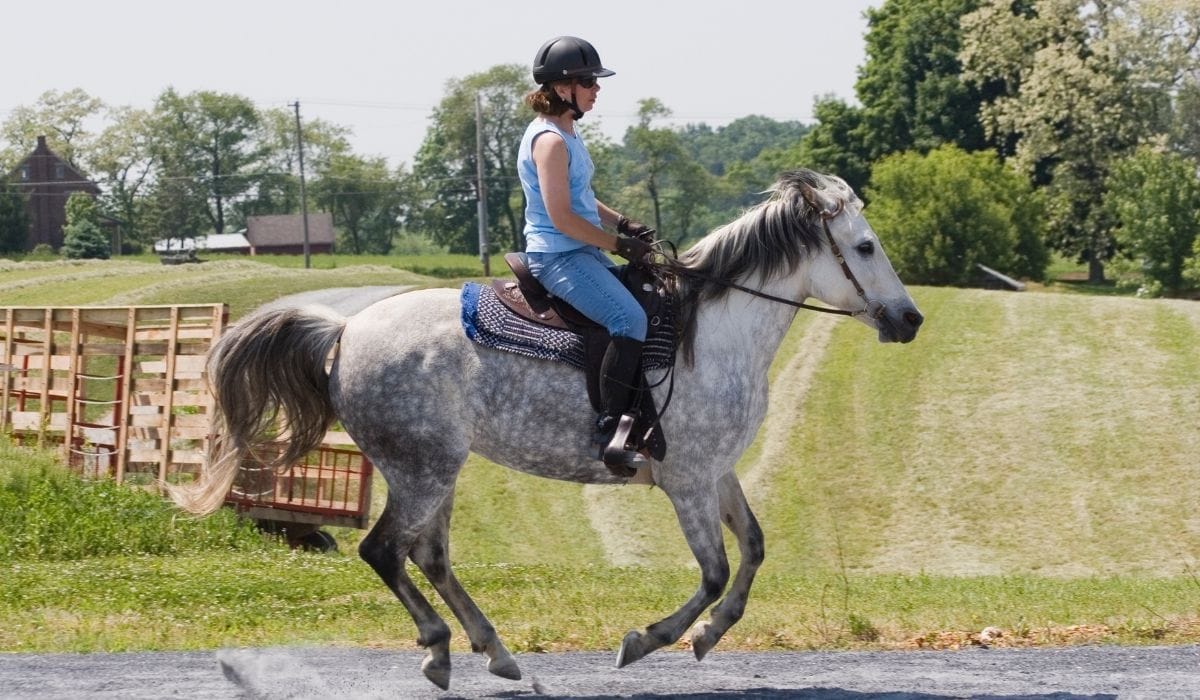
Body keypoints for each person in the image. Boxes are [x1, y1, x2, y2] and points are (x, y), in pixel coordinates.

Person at [517, 35, 655, 471]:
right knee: (629, 320)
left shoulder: (567, 132)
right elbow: (561, 217)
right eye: (589, 82)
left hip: (581, 251)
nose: (597, 89)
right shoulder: (550, 142)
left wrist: (622, 223)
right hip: (558, 256)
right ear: (563, 89)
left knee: (649, 295)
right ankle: (609, 431)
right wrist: (620, 245)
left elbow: (580, 197)